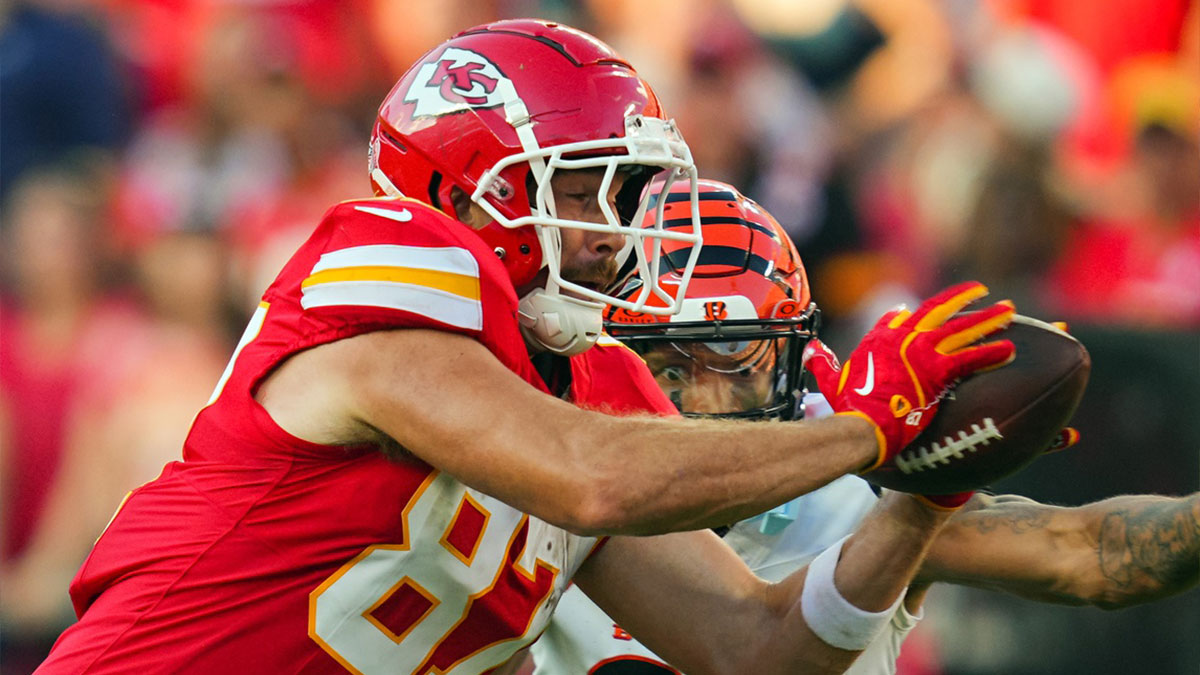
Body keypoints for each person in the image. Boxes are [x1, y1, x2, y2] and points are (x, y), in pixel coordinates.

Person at [39, 21, 1023, 675]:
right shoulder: (391, 259)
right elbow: (588, 480)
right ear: (469, 190)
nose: (618, 228)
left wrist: (919, 499)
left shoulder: (592, 379)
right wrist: (862, 429)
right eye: (588, 188)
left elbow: (754, 648)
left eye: (630, 194)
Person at [525, 179, 1200, 674]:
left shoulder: (859, 497)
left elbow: (1094, 552)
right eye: (666, 366)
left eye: (732, 359)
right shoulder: (551, 478)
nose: (700, 397)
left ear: (798, 363)